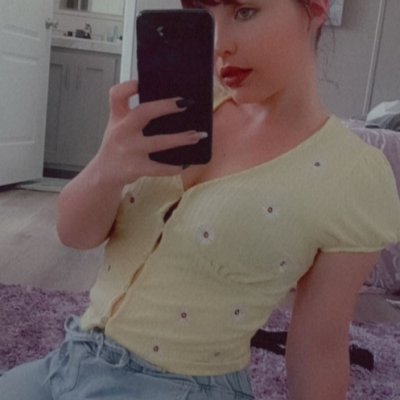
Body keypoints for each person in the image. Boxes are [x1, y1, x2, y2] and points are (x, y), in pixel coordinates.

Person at [1, 0, 400, 399]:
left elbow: (320, 345)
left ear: (315, 9)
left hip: (179, 388)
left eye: (245, 12)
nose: (218, 44)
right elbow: (75, 235)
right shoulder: (185, 109)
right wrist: (106, 168)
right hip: (71, 359)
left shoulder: (352, 173)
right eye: (205, 17)